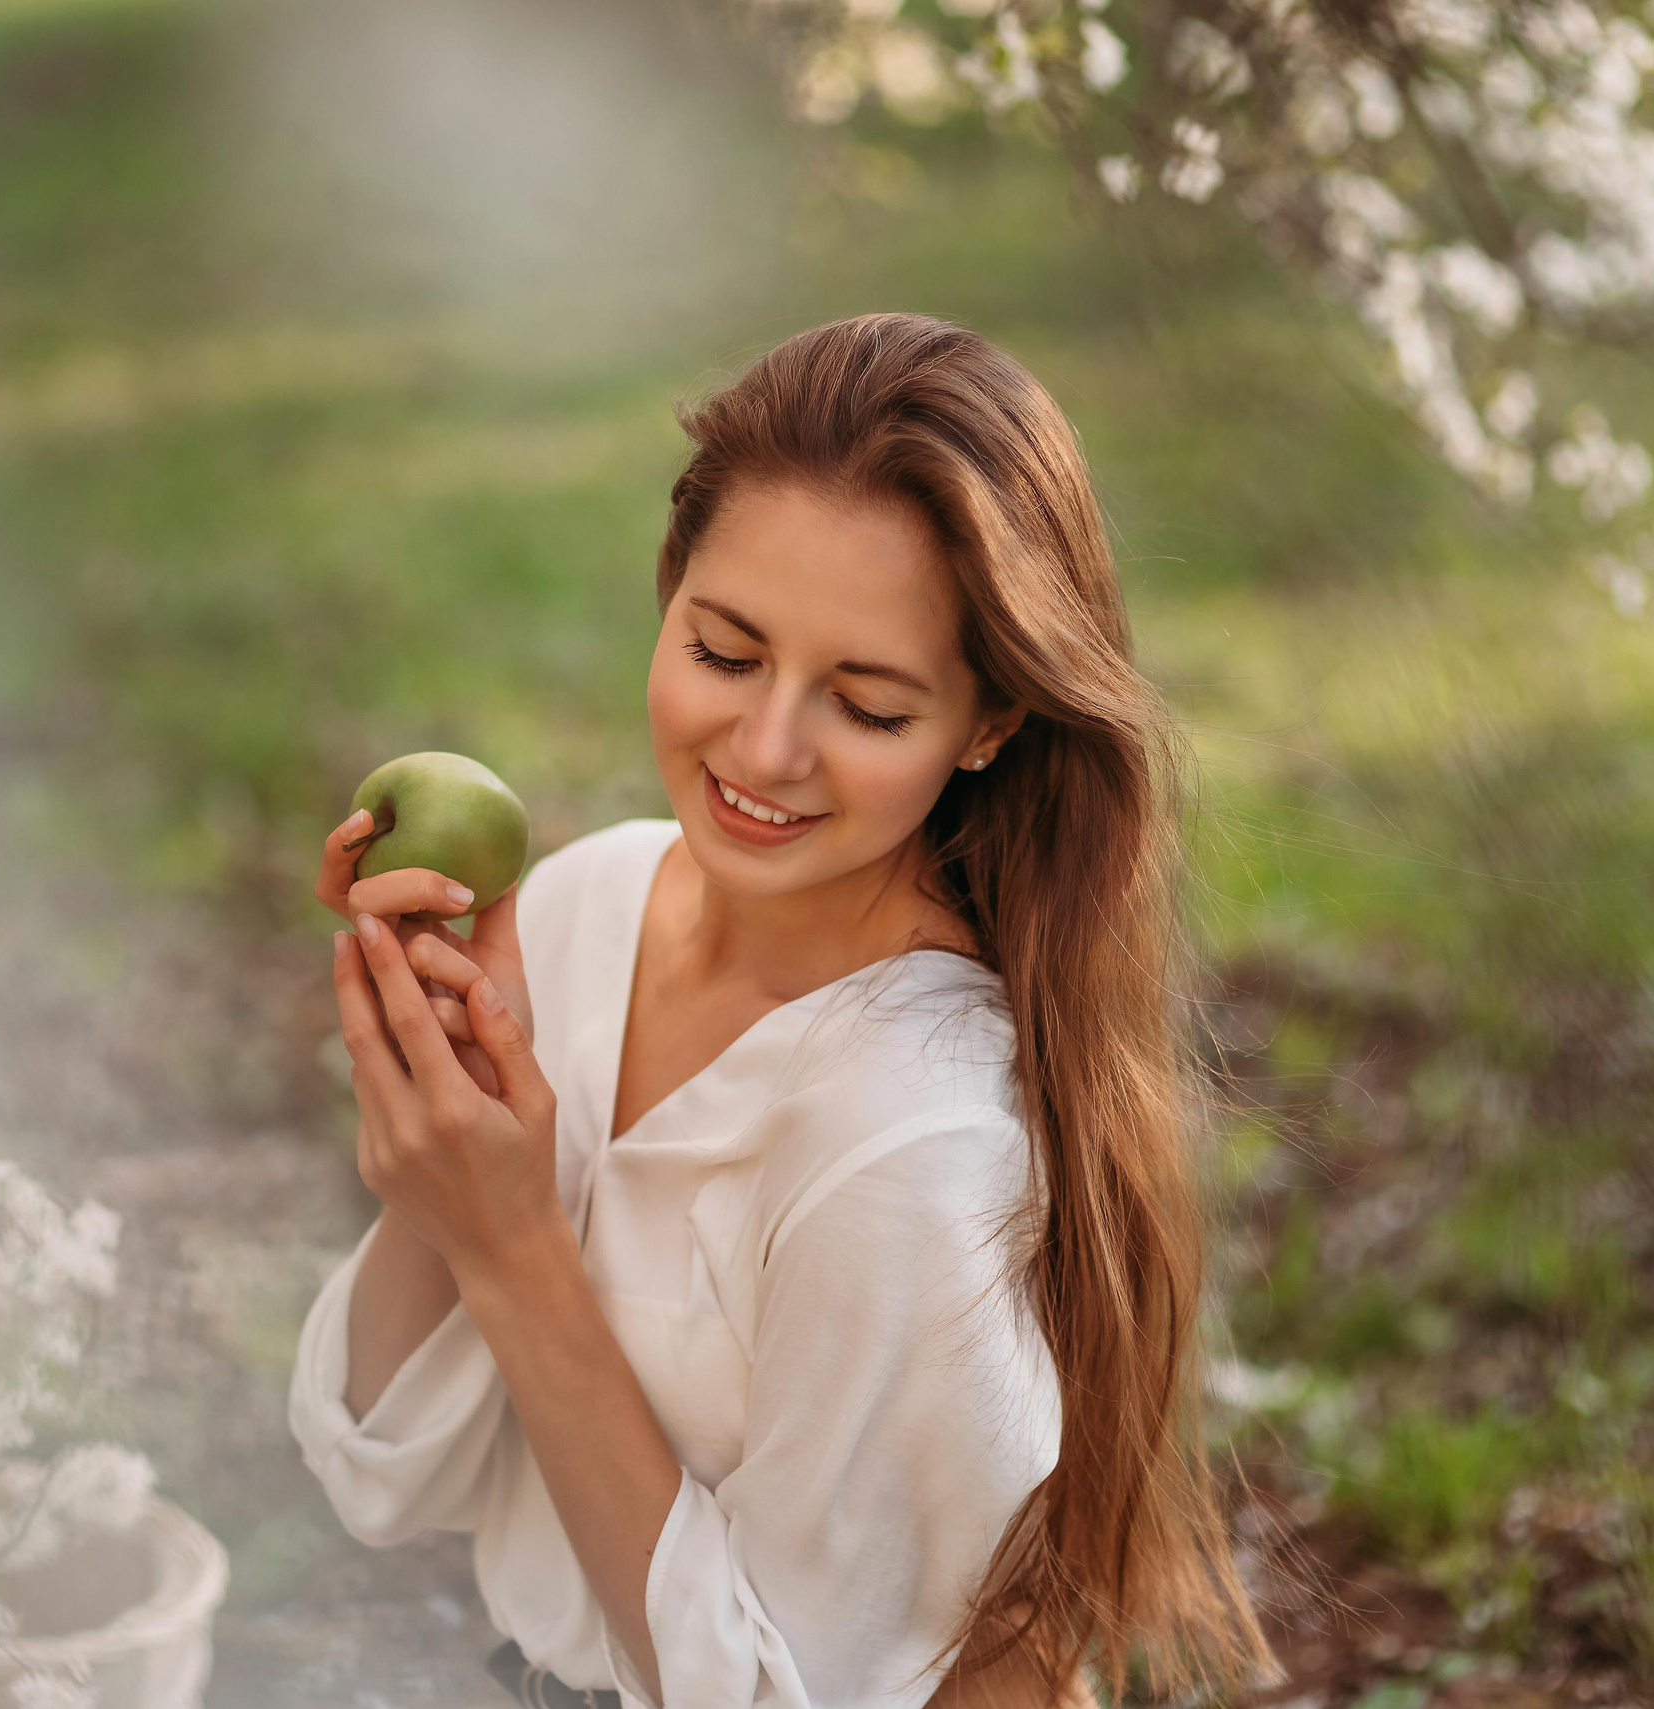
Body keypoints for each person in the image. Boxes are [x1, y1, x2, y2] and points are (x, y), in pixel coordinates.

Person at [287, 314, 1272, 1709]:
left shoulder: (914, 1141)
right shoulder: (584, 904)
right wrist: (439, 1168)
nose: (763, 750)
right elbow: (378, 1470)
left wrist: (512, 1242)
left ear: (989, 724)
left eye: (866, 705)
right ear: (670, 586)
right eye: (727, 650)